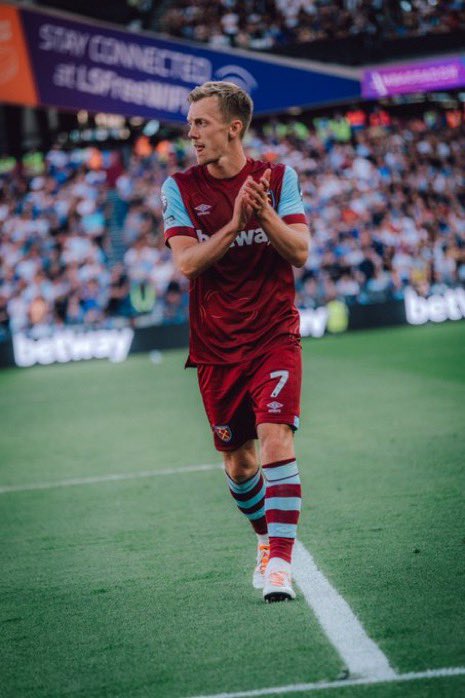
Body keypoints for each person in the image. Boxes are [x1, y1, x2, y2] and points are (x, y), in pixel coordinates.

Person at [161, 81, 310, 602]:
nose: (192, 133)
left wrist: (264, 214)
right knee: (240, 463)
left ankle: (280, 569)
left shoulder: (278, 177)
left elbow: (299, 252)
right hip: (216, 344)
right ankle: (265, 539)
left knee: (276, 437)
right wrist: (233, 224)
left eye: (201, 123)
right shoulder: (178, 187)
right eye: (191, 124)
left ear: (233, 128)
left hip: (274, 332)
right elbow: (186, 262)